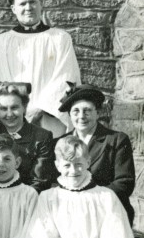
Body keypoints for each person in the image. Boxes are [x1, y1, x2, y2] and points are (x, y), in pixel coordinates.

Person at [0, 0, 81, 137]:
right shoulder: (1, 42)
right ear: (13, 9)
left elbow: (66, 76)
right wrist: (17, 109)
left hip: (47, 119)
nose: (28, 7)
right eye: (22, 3)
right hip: (10, 120)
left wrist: (41, 108)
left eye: (33, 2)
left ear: (41, 4)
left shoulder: (59, 38)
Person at [56, 83, 136, 223]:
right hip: (71, 212)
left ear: (98, 113)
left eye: (87, 110)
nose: (82, 116)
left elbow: (124, 183)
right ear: (69, 115)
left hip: (108, 212)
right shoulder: (60, 143)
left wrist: (89, 200)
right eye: (76, 111)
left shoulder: (116, 140)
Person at [0, 82, 55, 192]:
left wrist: (20, 200)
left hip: (27, 198)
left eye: (14, 107)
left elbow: (40, 181)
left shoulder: (42, 137)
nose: (9, 114)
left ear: (24, 108)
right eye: (3, 109)